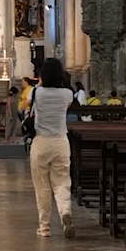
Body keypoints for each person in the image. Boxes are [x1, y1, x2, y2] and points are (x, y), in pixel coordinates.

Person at [26, 58, 78, 238]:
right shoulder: (67, 94)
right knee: (62, 181)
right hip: (60, 141)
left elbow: (28, 105)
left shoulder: (36, 92)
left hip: (41, 141)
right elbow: (67, 107)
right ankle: (65, 211)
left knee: (42, 185)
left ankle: (44, 227)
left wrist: (41, 83)